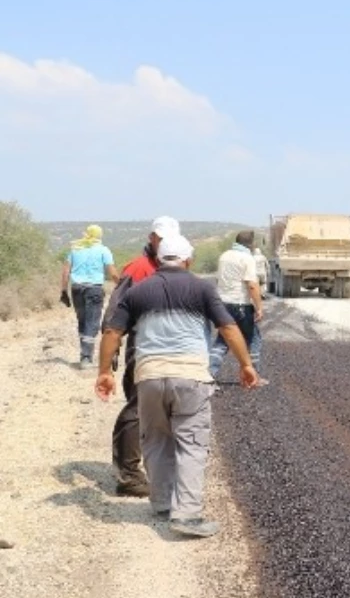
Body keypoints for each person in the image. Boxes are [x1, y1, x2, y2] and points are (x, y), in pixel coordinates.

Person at [95, 233, 259, 538]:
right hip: (190, 377)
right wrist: (246, 365)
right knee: (191, 444)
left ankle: (161, 503)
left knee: (155, 439)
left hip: (149, 376)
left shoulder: (138, 291)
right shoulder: (201, 288)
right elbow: (228, 327)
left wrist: (104, 372)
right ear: (188, 260)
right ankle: (186, 515)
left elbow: (112, 333)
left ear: (158, 259)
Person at [102, 216, 181, 498]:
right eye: (160, 238)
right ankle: (128, 475)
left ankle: (150, 466)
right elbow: (115, 309)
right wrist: (110, 349)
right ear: (152, 238)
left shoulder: (171, 265)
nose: (163, 243)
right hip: (144, 344)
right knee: (139, 406)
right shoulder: (139, 267)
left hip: (169, 345)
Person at [209, 230, 267, 383]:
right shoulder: (247, 258)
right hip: (240, 305)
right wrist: (259, 307)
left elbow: (218, 280)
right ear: (251, 244)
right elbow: (252, 285)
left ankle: (209, 375)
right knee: (253, 339)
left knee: (222, 340)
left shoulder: (224, 256)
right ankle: (254, 376)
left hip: (222, 304)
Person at [60, 224, 120, 365]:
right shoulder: (103, 250)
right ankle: (86, 357)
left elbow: (65, 271)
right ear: (99, 235)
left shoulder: (75, 249)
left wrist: (63, 290)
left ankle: (85, 354)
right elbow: (112, 272)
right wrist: (122, 285)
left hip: (77, 289)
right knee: (92, 322)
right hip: (94, 289)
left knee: (82, 321)